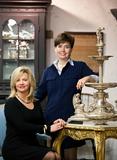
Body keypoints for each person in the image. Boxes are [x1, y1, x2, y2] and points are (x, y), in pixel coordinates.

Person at [35, 32, 99, 160]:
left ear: (71, 48)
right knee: (55, 155)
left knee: (70, 156)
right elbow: (38, 95)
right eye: (59, 46)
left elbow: (97, 78)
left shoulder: (79, 66)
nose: (63, 50)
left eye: (67, 46)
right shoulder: (48, 71)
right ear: (55, 48)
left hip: (71, 120)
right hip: (51, 120)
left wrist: (87, 77)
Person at [2, 66, 66, 160]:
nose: (21, 83)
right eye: (18, 80)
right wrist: (47, 128)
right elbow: (22, 126)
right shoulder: (11, 103)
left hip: (32, 144)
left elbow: (41, 122)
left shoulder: (35, 102)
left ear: (30, 82)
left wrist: (55, 123)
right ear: (14, 83)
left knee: (58, 156)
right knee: (51, 156)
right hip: (15, 147)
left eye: (24, 80)